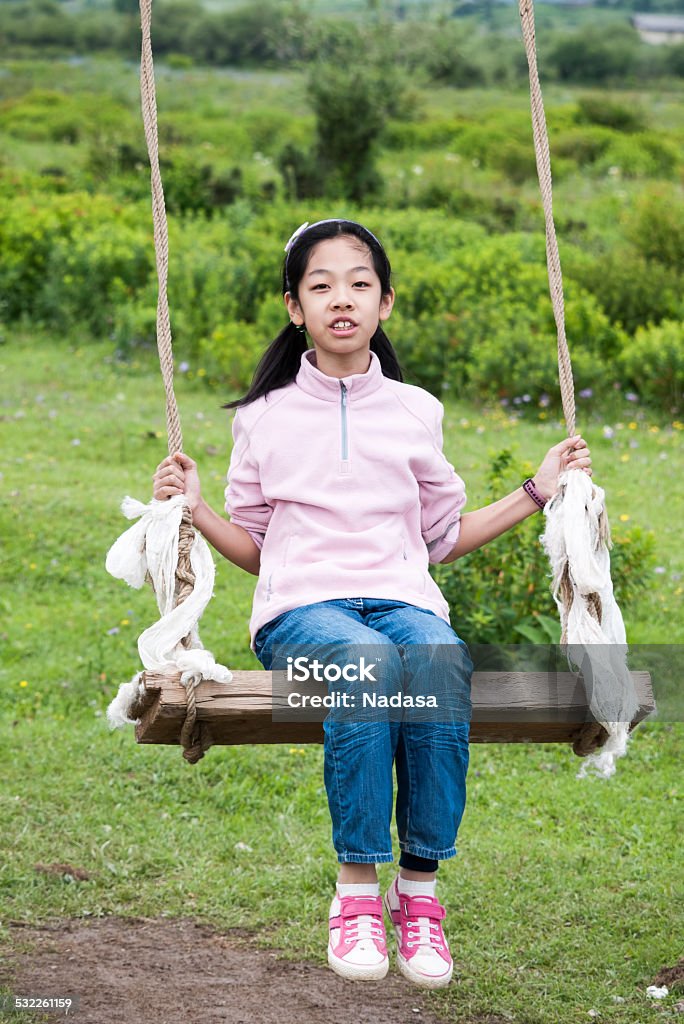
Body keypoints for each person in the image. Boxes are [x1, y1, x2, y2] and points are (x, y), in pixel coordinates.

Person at [153, 218, 592, 989]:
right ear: (295, 308)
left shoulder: (417, 409)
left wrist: (536, 492)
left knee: (434, 655)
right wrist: (195, 510)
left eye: (359, 283)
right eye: (320, 286)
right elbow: (259, 548)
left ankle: (419, 898)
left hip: (401, 597)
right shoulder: (264, 417)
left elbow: (442, 538)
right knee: (368, 662)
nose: (341, 300)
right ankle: (357, 894)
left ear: (384, 302)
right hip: (302, 612)